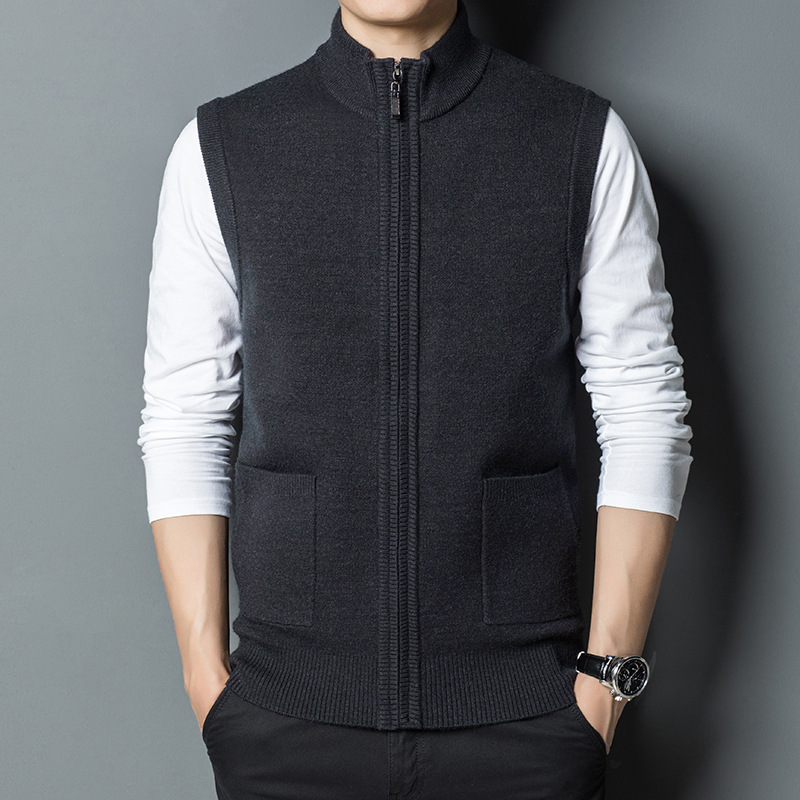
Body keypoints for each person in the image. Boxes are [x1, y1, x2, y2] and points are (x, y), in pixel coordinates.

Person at [137, 1, 693, 797]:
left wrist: (605, 683)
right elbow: (185, 415)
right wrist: (205, 675)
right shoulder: (224, 144)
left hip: (527, 722)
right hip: (282, 719)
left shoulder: (579, 137)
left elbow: (643, 406)